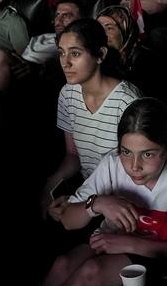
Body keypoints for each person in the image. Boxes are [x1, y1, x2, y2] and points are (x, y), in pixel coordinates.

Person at [0, 98, 167, 286]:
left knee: (91, 273)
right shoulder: (112, 165)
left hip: (157, 252)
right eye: (126, 152)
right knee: (63, 265)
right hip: (110, 242)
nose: (134, 166)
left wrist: (129, 242)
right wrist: (98, 203)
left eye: (147, 154)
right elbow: (70, 222)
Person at [43, 19, 141, 212]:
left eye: (75, 53)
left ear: (100, 55)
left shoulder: (126, 101)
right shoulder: (68, 94)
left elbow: (136, 171)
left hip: (123, 196)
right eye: (61, 53)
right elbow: (73, 155)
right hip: (89, 192)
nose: (66, 62)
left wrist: (81, 202)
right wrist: (50, 185)